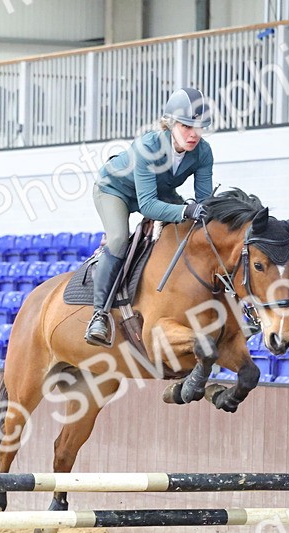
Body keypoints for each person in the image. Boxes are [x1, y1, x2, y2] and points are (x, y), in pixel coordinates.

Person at [85, 87, 215, 346]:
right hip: (115, 189)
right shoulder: (147, 147)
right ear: (169, 124)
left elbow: (205, 201)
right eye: (186, 126)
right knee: (120, 238)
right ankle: (98, 315)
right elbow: (147, 206)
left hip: (160, 191)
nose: (193, 134)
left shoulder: (203, 152)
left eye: (199, 127)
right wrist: (184, 210)